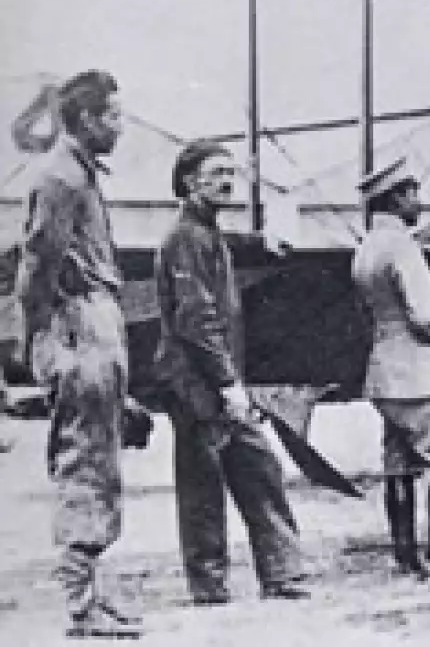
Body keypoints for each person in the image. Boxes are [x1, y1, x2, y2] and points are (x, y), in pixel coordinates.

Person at [13, 70, 146, 637]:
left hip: (92, 322)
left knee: (99, 457)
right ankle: (79, 605)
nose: (120, 125)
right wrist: (39, 342)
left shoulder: (77, 175)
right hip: (78, 323)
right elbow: (37, 265)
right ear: (87, 120)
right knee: (85, 459)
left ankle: (89, 592)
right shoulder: (62, 178)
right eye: (113, 115)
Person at [153, 139, 309, 604]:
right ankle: (211, 585)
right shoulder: (186, 239)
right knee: (205, 485)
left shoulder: (205, 234)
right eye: (216, 173)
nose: (227, 181)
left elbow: (223, 247)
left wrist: (261, 242)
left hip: (212, 382)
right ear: (188, 184)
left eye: (231, 173)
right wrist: (227, 384)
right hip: (197, 384)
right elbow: (195, 320)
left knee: (257, 468)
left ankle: (279, 574)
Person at [351, 160, 430, 579]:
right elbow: (425, 316)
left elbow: (369, 314)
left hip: (385, 372)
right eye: (413, 192)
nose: (418, 201)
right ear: (397, 197)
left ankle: (405, 556)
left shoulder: (366, 246)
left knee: (399, 464)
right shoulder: (403, 246)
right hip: (421, 372)